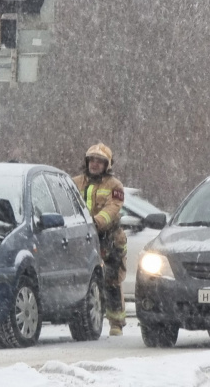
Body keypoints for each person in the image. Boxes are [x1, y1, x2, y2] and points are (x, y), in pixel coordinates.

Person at [72, 142, 127, 336]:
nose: (95, 164)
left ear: (107, 165)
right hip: (81, 237)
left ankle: (116, 322)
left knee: (111, 279)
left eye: (100, 161)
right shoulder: (74, 182)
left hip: (109, 238)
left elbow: (112, 208)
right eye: (92, 160)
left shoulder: (115, 186)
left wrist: (95, 222)